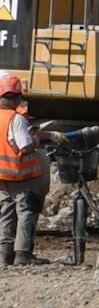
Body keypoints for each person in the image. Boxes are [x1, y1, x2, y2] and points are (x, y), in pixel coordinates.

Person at [0, 72, 49, 267]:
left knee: (6, 212)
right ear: (18, 97)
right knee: (27, 210)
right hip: (20, 174)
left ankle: (4, 255)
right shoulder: (16, 118)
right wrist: (38, 140)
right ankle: (22, 254)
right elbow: (25, 146)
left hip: (2, 175)